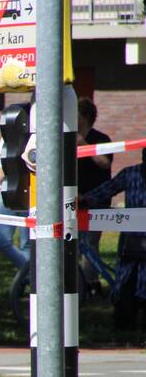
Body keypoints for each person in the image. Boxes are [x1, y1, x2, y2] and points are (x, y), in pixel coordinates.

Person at [81, 149, 146, 331]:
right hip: (131, 243)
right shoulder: (130, 173)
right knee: (126, 284)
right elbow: (105, 190)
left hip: (133, 242)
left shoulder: (131, 173)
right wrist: (79, 201)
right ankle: (125, 324)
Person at [76, 97, 113, 293]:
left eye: (76, 114)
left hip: (97, 201)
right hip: (75, 200)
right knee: (75, 243)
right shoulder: (68, 139)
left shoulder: (101, 139)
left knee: (90, 242)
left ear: (86, 117)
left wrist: (84, 146)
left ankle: (89, 284)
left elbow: (105, 163)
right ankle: (83, 281)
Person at [0, 139, 30, 270]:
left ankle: (30, 283)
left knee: (27, 244)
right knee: (2, 241)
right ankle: (29, 272)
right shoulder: (6, 138)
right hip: (9, 192)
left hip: (32, 193)